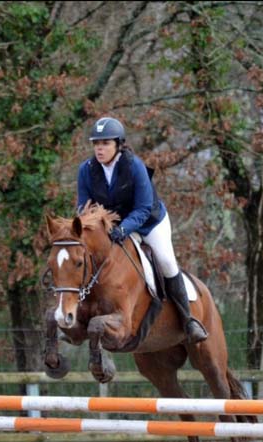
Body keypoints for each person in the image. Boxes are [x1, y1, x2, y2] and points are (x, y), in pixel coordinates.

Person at [76, 116, 208, 344]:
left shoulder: (134, 166)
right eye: (96, 144)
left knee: (166, 261)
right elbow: (83, 207)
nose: (100, 149)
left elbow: (144, 207)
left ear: (118, 144)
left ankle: (188, 320)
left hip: (149, 222)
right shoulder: (86, 170)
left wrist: (124, 228)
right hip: (112, 228)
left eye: (105, 143)